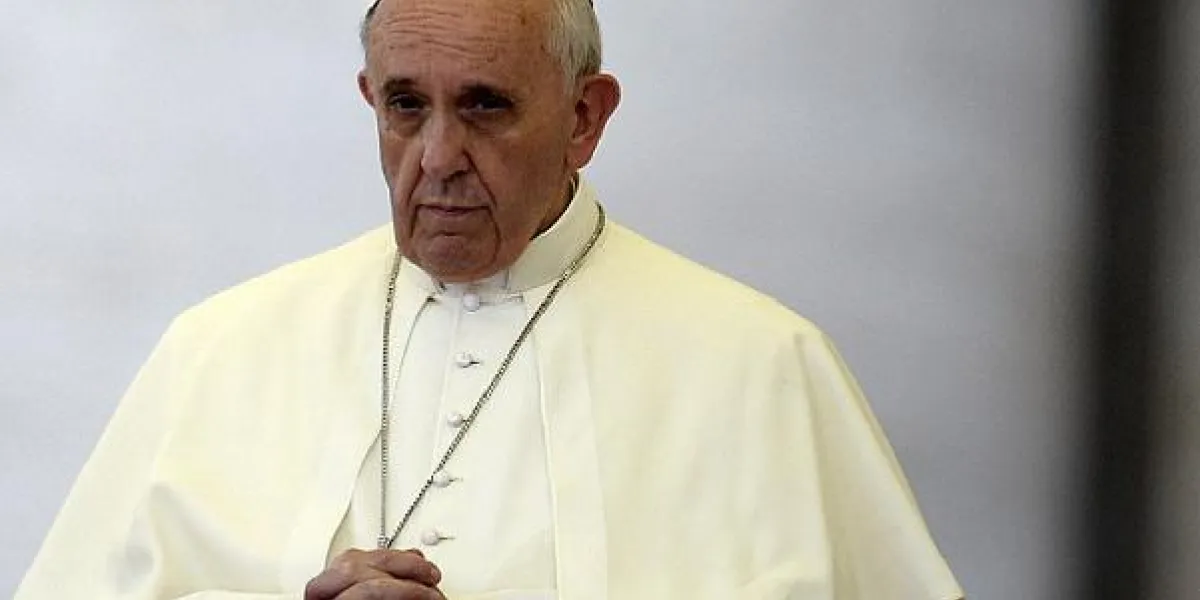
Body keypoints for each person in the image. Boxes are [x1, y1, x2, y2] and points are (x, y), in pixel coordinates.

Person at [17, 0, 965, 598]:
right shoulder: (220, 347)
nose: (437, 159)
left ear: (585, 117)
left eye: (484, 106)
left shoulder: (760, 367)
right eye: (406, 106)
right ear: (370, 100)